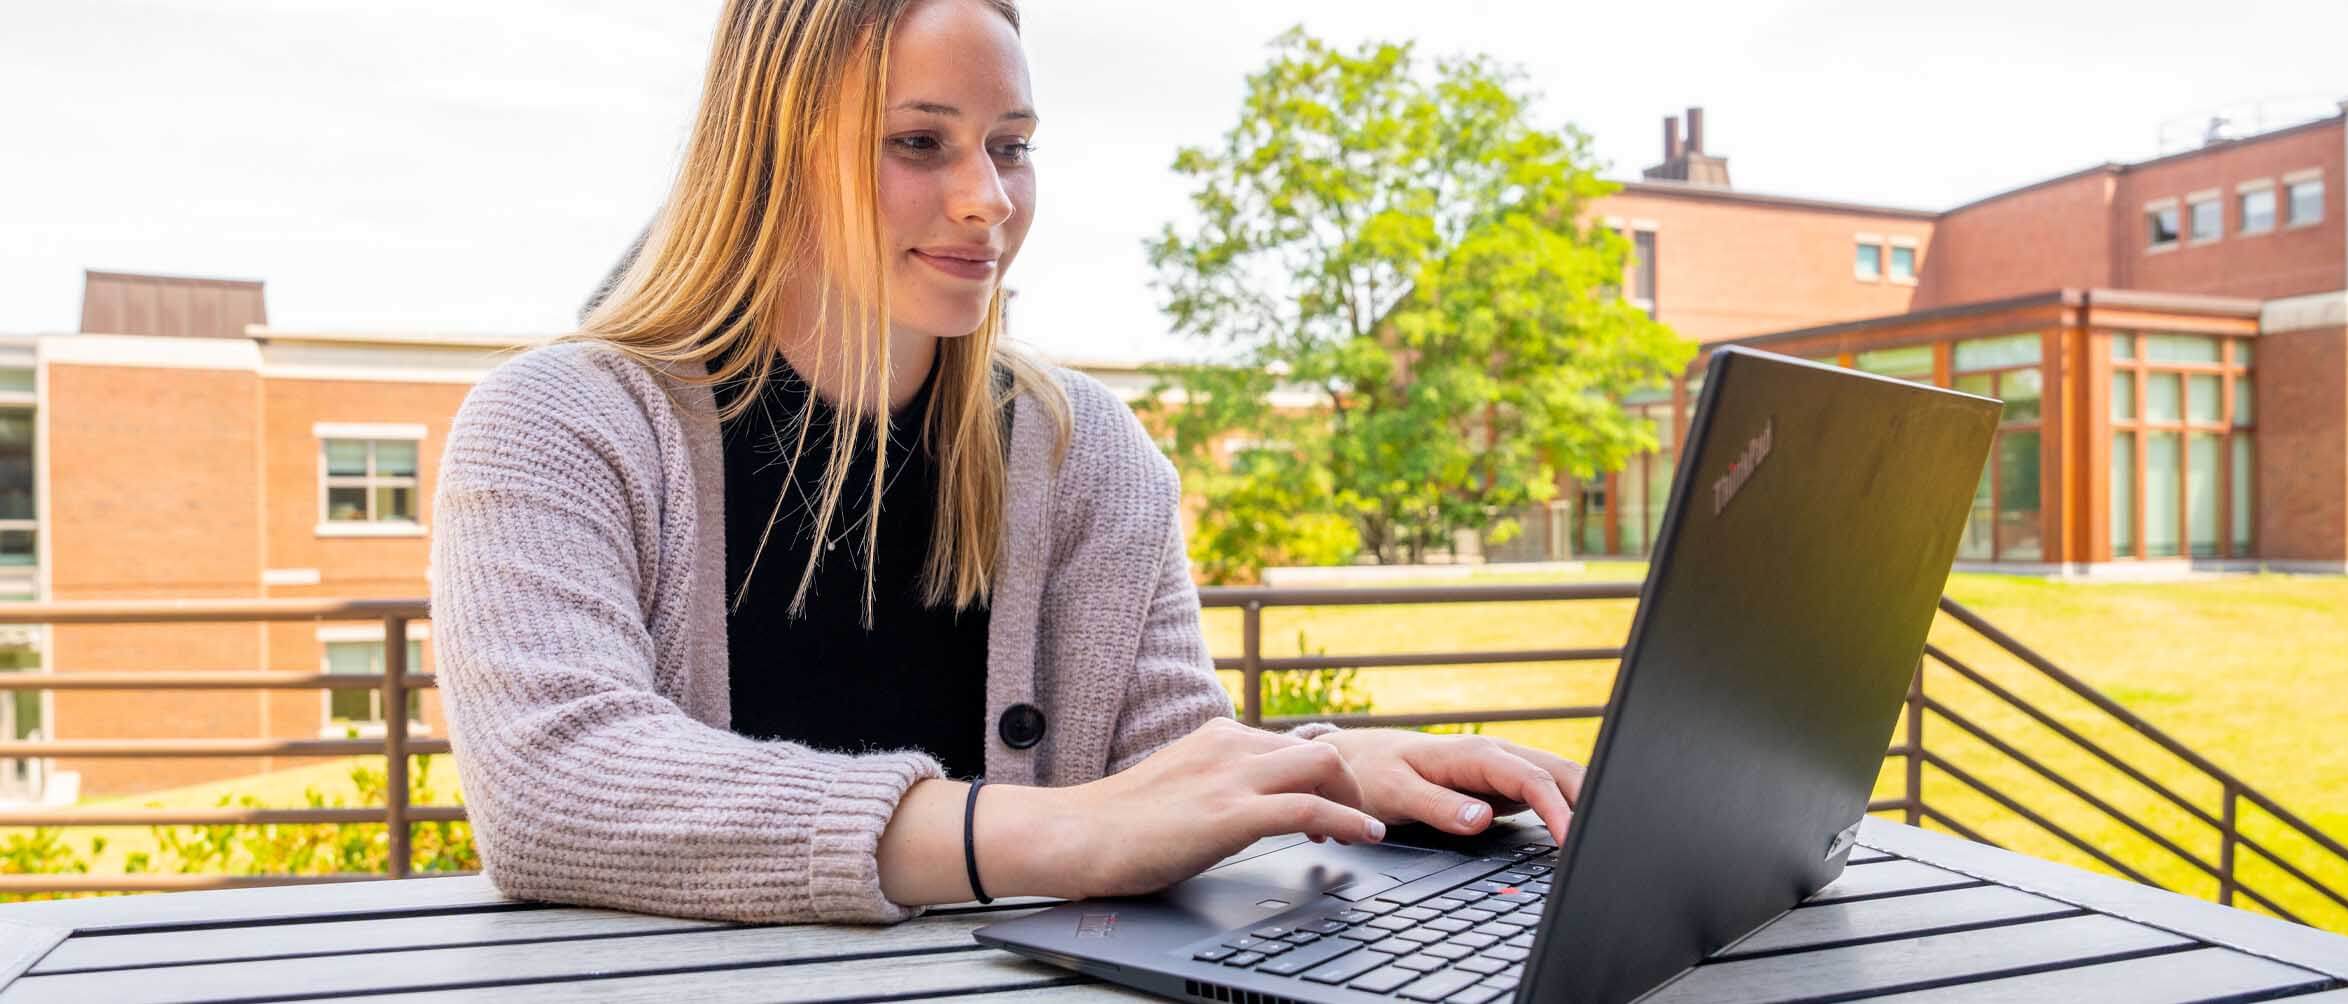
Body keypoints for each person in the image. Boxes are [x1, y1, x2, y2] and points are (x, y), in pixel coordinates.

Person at [428, 0, 1585, 926]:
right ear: (770, 149)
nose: (987, 200)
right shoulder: (559, 422)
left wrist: (1328, 769)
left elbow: (1161, 765)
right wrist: (1047, 834)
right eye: (918, 142)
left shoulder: (1087, 452)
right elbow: (554, 786)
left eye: (1012, 148)